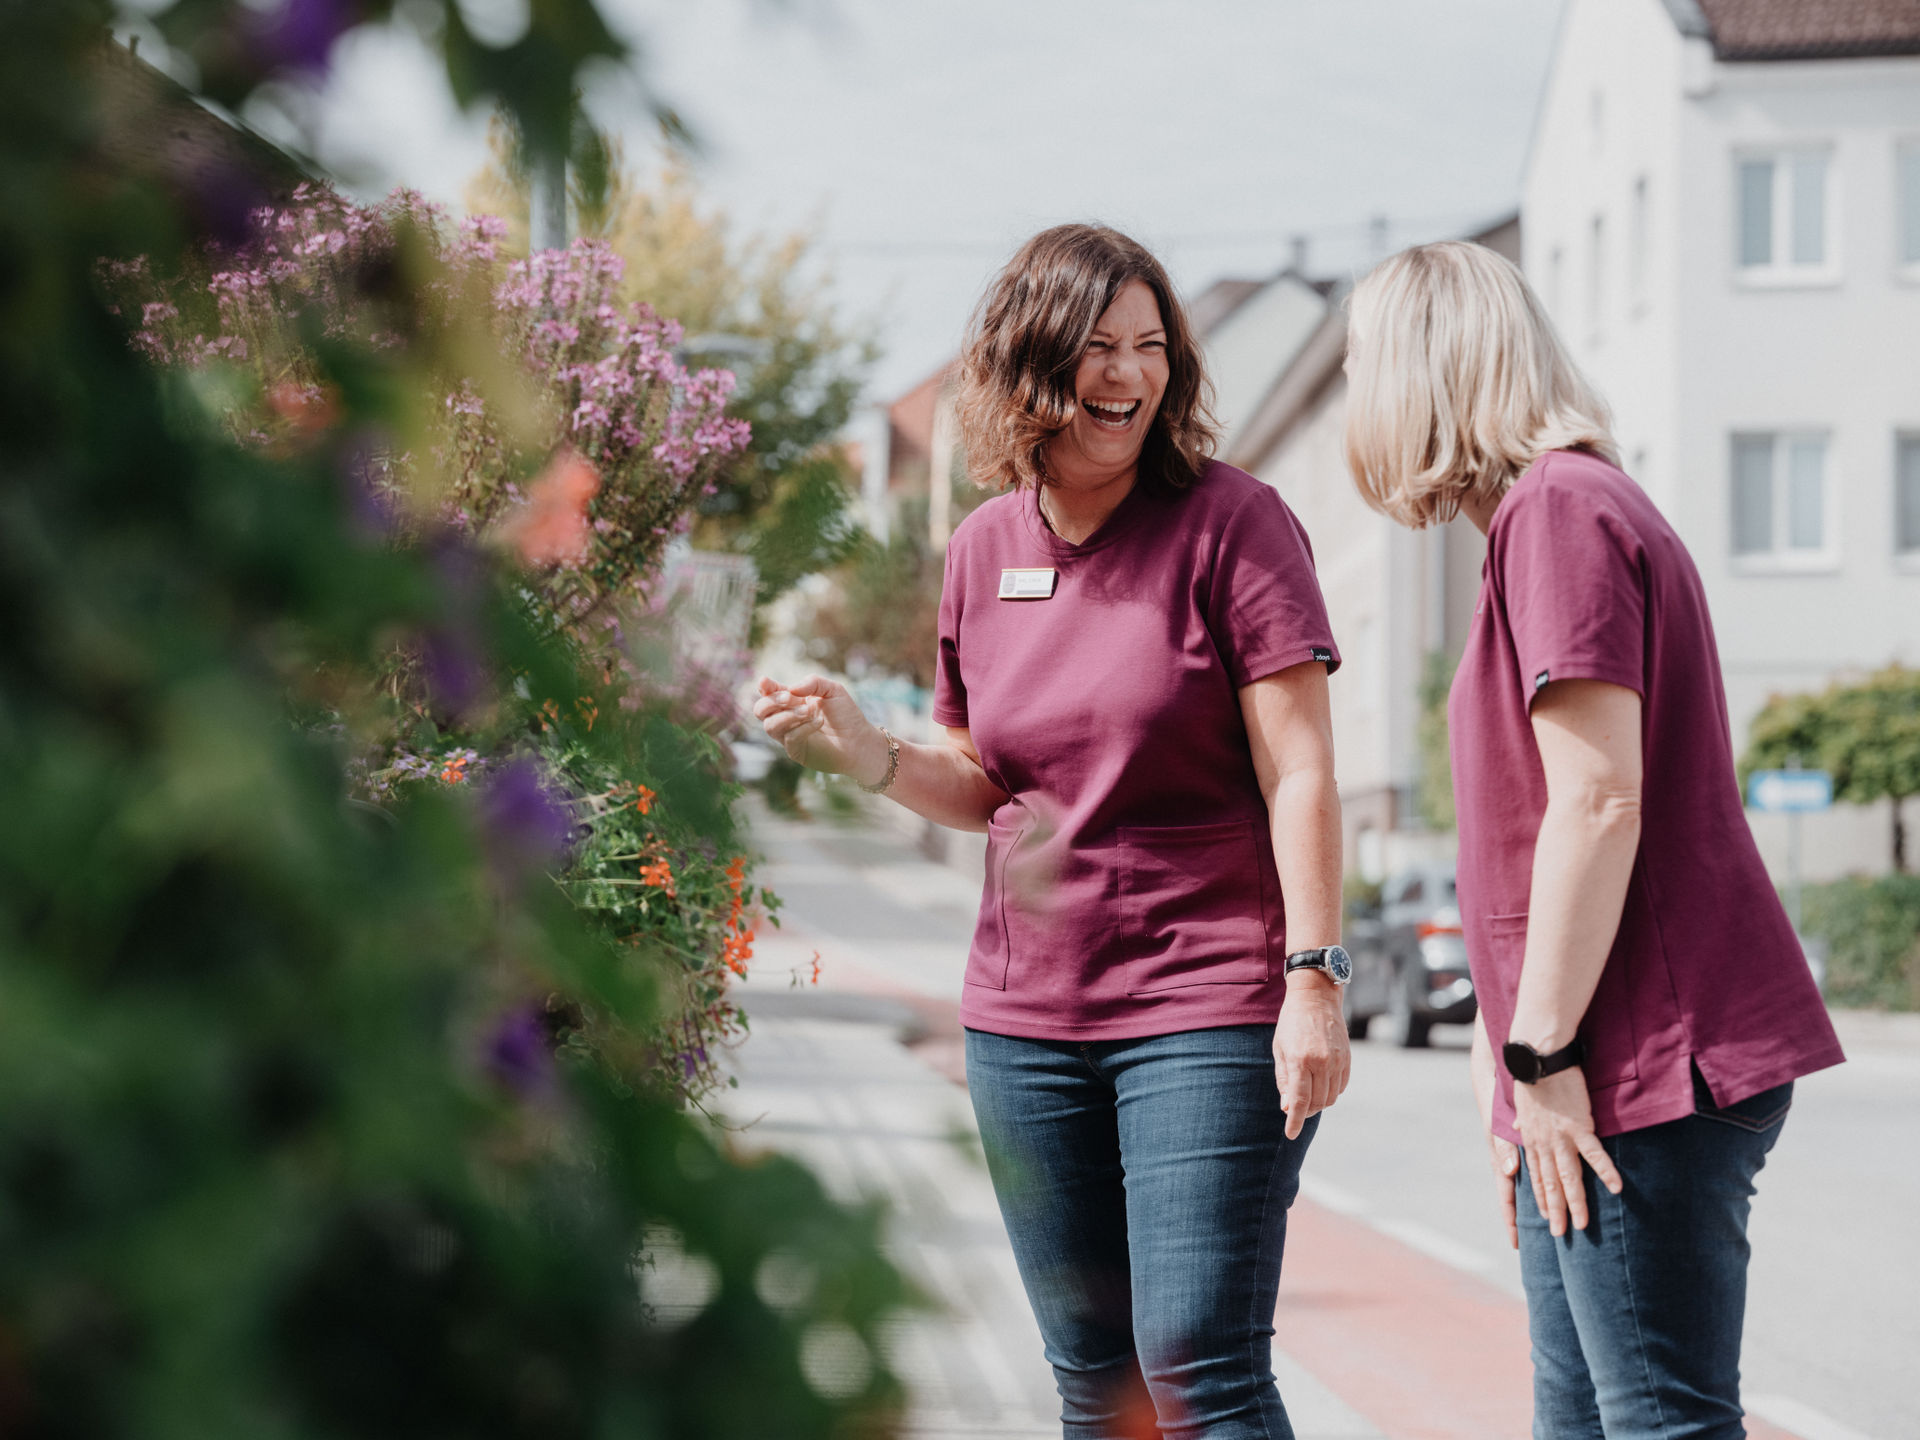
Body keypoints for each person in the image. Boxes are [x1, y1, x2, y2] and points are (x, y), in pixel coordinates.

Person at [754, 223, 1350, 1439]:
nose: (1129, 377)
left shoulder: (1236, 526)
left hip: (1209, 1002)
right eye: (1099, 349)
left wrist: (1316, 979)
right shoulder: (983, 549)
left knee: (1197, 1365)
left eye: (1150, 348)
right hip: (1025, 1023)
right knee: (1094, 1376)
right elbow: (987, 780)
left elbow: (1302, 771)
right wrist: (865, 752)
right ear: (1031, 366)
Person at [1343, 240, 1846, 1440]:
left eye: (1365, 361)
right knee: (1585, 1419)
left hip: (1635, 1059)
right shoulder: (1547, 514)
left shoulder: (1559, 512)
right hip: (1593, 1056)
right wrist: (1509, 1048)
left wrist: (1540, 1056)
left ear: (1424, 372)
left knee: (1657, 1420)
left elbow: (1601, 802)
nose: (1361, 391)